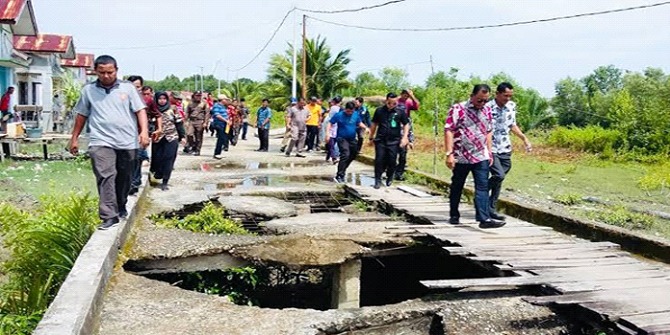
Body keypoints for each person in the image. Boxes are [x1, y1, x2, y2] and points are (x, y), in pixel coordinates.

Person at [68, 55, 149, 230]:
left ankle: (120, 204)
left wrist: (144, 132)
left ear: (116, 70)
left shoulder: (127, 88)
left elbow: (140, 111)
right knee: (106, 175)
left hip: (127, 141)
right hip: (100, 140)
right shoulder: (88, 90)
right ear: (96, 71)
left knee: (124, 177)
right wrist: (74, 138)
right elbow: (82, 114)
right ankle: (109, 216)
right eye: (102, 72)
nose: (106, 76)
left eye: (110, 72)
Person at [445, 84, 505, 229]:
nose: (482, 103)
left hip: (480, 155)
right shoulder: (458, 109)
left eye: (485, 100)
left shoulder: (487, 110)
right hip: (461, 156)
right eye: (479, 100)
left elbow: (489, 131)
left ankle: (484, 219)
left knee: (482, 187)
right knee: (457, 186)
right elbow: (449, 130)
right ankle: (454, 214)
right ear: (472, 96)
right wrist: (449, 153)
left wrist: (489, 152)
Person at [487, 82, 532, 221]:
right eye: (505, 95)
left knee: (500, 178)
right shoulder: (487, 107)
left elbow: (512, 124)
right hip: (490, 147)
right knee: (498, 175)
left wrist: (524, 138)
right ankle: (481, 192)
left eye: (510, 96)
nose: (507, 98)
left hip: (505, 147)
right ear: (497, 94)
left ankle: (490, 209)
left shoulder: (511, 107)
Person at [368, 93, 410, 189]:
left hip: (394, 141)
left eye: (394, 103)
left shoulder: (400, 112)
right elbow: (374, 124)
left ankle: (390, 176)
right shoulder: (379, 111)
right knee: (379, 160)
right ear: (386, 101)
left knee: (392, 160)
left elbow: (406, 124)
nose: (391, 105)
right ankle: (377, 180)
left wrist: (405, 137)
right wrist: (371, 137)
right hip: (381, 140)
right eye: (389, 103)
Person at [149, 92, 185, 191]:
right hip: (157, 137)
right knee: (157, 158)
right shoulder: (152, 109)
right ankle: (158, 172)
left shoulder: (173, 109)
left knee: (169, 159)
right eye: (160, 99)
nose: (162, 101)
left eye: (164, 98)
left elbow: (179, 123)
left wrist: (182, 136)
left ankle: (165, 181)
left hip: (171, 137)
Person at [327, 101, 369, 184]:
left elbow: (359, 122)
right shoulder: (339, 115)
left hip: (352, 138)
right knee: (345, 154)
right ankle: (339, 175)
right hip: (342, 138)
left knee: (353, 154)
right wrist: (328, 134)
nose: (349, 113)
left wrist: (366, 128)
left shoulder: (356, 114)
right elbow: (330, 123)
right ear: (345, 109)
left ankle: (343, 168)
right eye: (348, 111)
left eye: (351, 111)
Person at [395, 89, 420, 181]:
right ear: (401, 94)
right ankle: (391, 171)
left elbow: (417, 106)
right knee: (393, 152)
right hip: (395, 124)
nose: (406, 97)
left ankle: (399, 173)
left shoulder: (409, 102)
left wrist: (412, 96)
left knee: (403, 152)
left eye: (407, 95)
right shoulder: (396, 101)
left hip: (405, 125)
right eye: (404, 95)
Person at [185, 91, 210, 156]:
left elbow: (207, 113)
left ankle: (197, 150)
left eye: (200, 96)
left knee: (199, 137)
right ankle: (193, 145)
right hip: (192, 121)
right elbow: (187, 112)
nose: (198, 97)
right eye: (197, 95)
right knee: (189, 134)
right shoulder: (190, 103)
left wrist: (205, 122)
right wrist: (186, 121)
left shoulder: (204, 103)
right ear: (194, 96)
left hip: (200, 121)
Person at [211, 94, 230, 159]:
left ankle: (219, 152)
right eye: (226, 99)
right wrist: (225, 120)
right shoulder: (216, 106)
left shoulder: (223, 106)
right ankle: (217, 153)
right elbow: (217, 115)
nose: (226, 101)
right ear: (222, 100)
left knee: (223, 138)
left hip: (224, 124)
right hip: (219, 124)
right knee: (221, 138)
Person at [324, 96, 342, 164]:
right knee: (332, 144)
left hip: (334, 127)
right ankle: (334, 158)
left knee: (332, 144)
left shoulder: (333, 108)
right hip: (333, 127)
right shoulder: (337, 108)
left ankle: (329, 156)